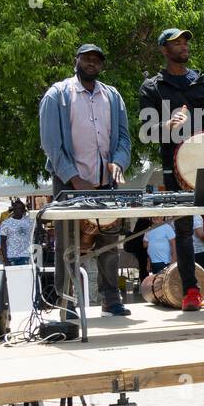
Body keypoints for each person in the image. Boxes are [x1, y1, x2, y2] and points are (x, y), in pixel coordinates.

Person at [139, 27, 204, 312]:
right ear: (164, 49)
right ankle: (190, 291)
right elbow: (147, 130)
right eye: (177, 42)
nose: (184, 45)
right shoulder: (152, 87)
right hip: (175, 170)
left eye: (186, 41)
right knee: (184, 230)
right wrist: (166, 126)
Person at [39, 43, 133, 316]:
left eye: (97, 59)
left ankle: (110, 299)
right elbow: (51, 144)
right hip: (69, 184)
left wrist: (119, 161)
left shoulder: (113, 96)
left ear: (101, 65)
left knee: (110, 242)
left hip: (105, 183)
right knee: (68, 244)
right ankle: (66, 304)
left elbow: (124, 139)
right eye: (87, 58)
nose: (92, 62)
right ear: (76, 61)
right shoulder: (58, 95)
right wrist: (73, 177)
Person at [0, 201, 35, 267]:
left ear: (23, 210)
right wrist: (6, 260)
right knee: (13, 277)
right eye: (17, 208)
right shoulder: (6, 223)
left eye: (21, 208)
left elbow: (40, 223)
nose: (19, 210)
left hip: (25, 255)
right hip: (11, 256)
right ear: (13, 209)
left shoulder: (29, 221)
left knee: (25, 276)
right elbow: (3, 243)